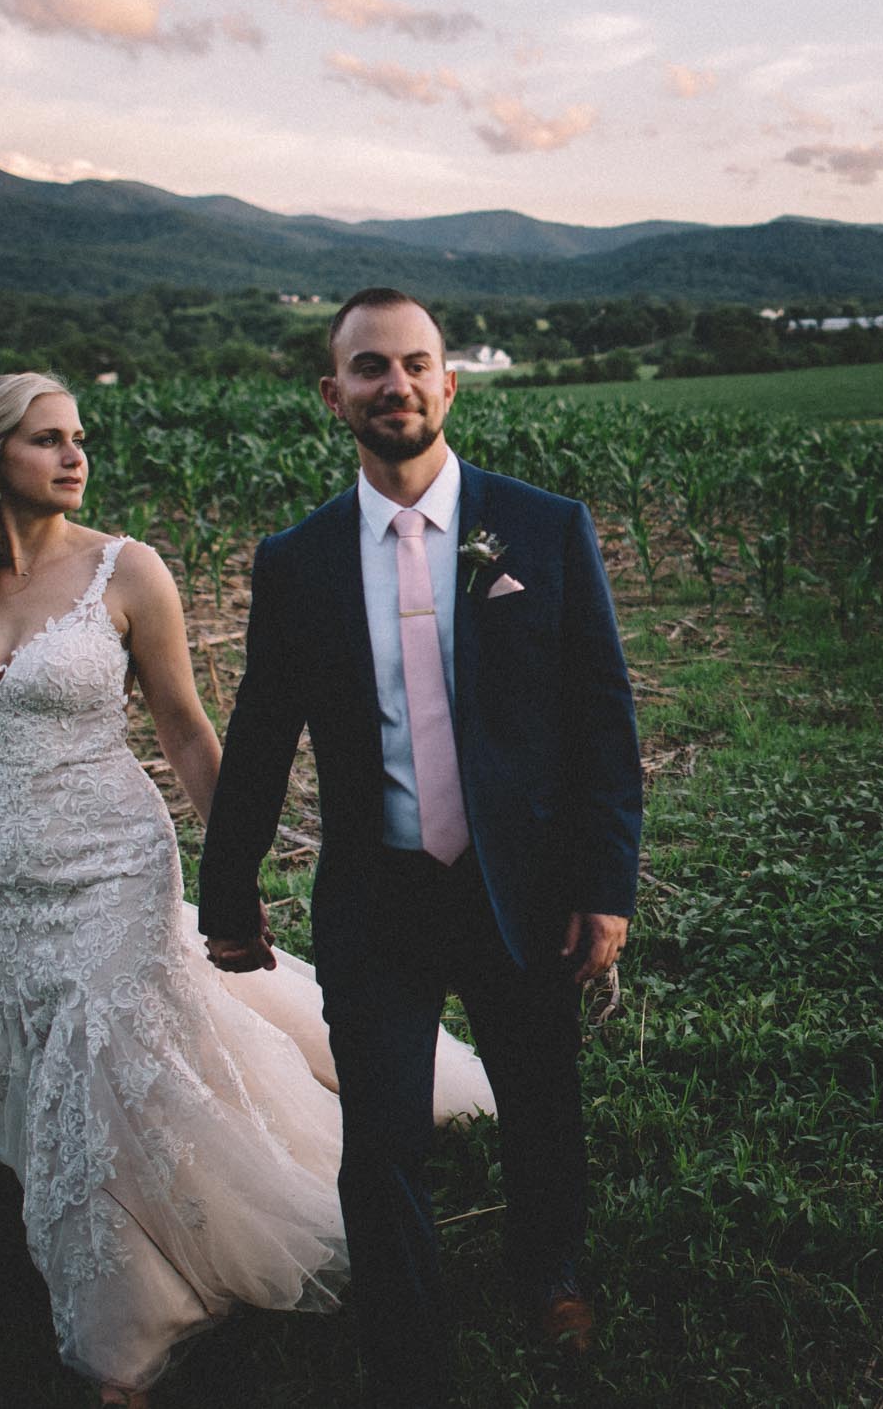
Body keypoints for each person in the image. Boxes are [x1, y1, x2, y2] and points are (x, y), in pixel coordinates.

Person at [0, 371, 494, 1406]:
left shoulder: (127, 571)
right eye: (47, 440)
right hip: (6, 867)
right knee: (57, 1050)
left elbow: (184, 727)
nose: (75, 456)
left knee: (101, 1041)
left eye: (79, 437)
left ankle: (129, 1325)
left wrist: (231, 874)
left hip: (114, 854)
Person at [199, 289, 642, 1408]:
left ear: (448, 382)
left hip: (524, 883)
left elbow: (602, 719)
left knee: (539, 1096)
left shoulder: (541, 527)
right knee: (384, 1131)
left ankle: (549, 1273)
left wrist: (604, 884)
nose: (393, 384)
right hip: (377, 892)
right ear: (332, 394)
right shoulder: (296, 560)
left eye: (415, 364)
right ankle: (408, 1354)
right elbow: (259, 738)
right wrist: (227, 892)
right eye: (368, 368)